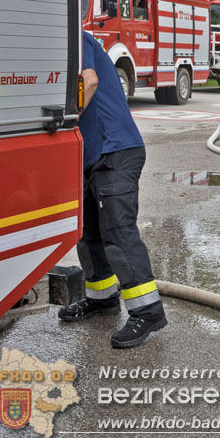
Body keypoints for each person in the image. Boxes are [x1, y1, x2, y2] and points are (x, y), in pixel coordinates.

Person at [58, 32, 167, 348]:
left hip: (116, 150)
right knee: (89, 234)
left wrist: (64, 122)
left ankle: (148, 312)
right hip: (92, 155)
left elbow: (88, 81)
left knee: (118, 233)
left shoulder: (75, 38)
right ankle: (102, 298)